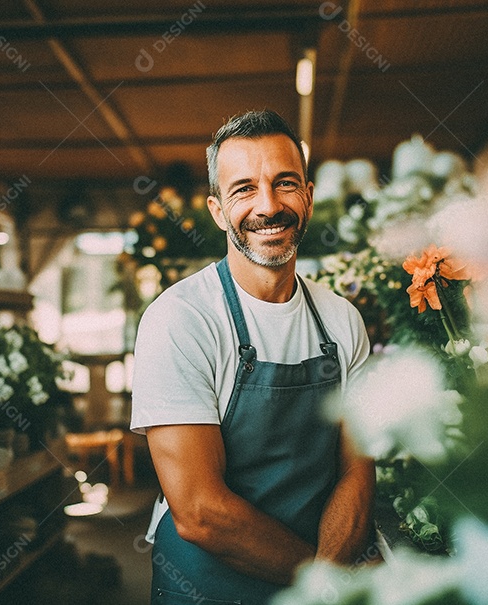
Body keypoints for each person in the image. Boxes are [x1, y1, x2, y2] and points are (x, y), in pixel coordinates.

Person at [130, 109, 375, 604]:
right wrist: (323, 581)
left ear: (307, 196)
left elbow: (356, 469)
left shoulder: (342, 320)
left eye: (285, 183)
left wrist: (324, 578)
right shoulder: (181, 320)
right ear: (218, 211)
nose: (269, 205)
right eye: (244, 188)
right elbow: (200, 510)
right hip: (206, 586)